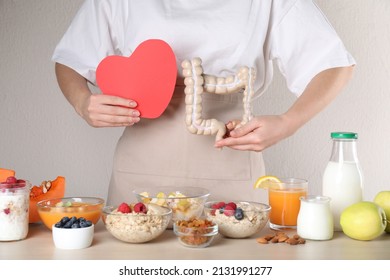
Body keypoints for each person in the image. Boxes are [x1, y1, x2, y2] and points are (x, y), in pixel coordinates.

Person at [52, 0, 355, 204]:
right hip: (142, 166)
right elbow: (71, 60)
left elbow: (334, 65)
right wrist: (82, 102)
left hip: (230, 155)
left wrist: (288, 123)